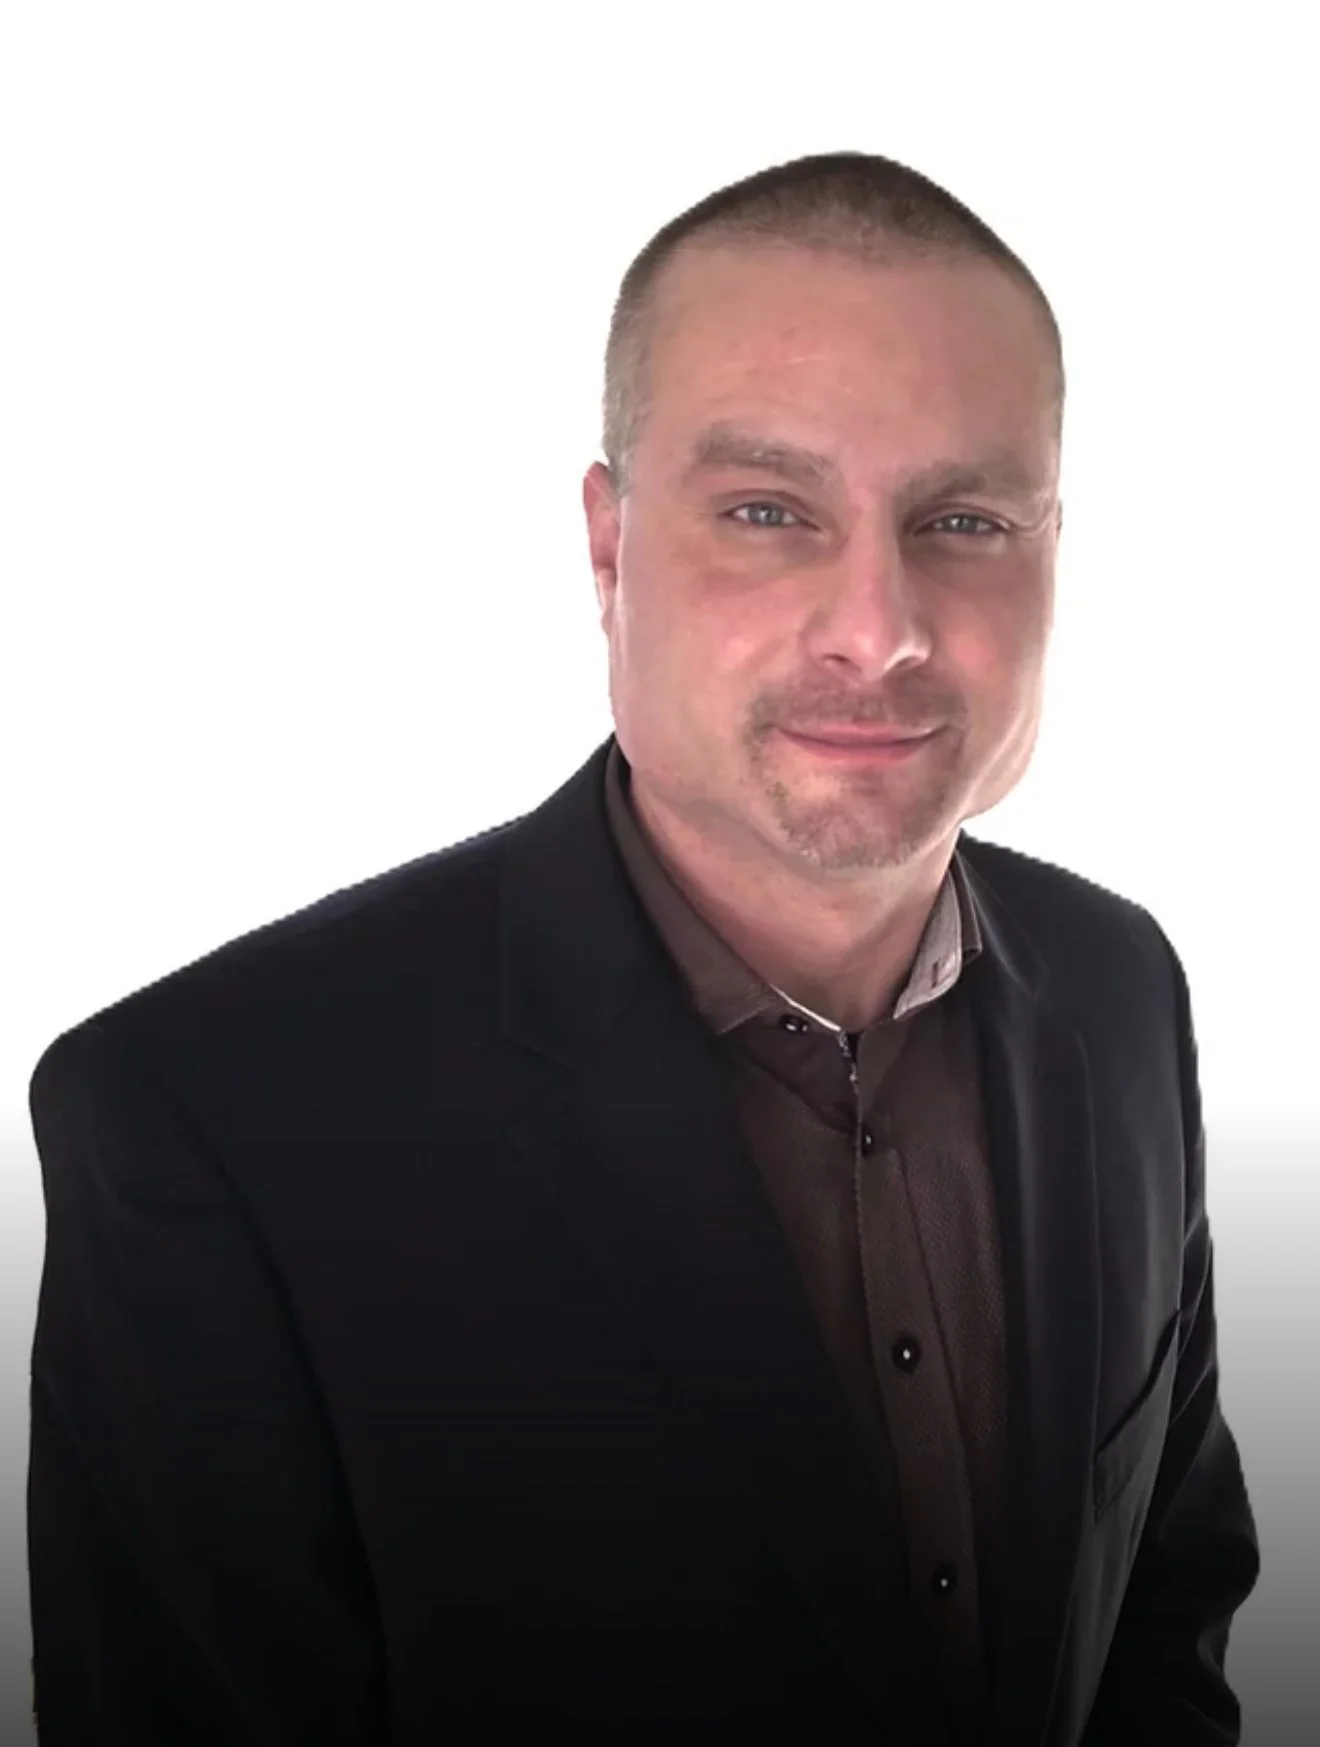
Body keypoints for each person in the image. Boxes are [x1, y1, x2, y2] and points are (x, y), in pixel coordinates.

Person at [26, 150, 1258, 1746]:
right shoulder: (207, 1125)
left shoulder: (1120, 985)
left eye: (963, 518)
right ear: (608, 552)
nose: (877, 626)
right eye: (767, 511)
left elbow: (1166, 1615)